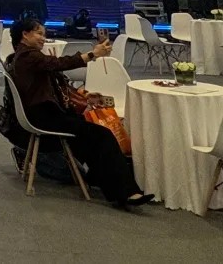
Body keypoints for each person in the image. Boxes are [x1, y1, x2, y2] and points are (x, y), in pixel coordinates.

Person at [9, 18, 152, 208]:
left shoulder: (21, 57)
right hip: (45, 118)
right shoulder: (28, 57)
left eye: (44, 34)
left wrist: (82, 95)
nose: (44, 38)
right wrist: (93, 54)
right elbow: (60, 63)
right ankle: (125, 191)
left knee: (91, 136)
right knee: (102, 135)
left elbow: (55, 83)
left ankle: (110, 184)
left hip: (45, 114)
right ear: (25, 35)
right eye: (39, 33)